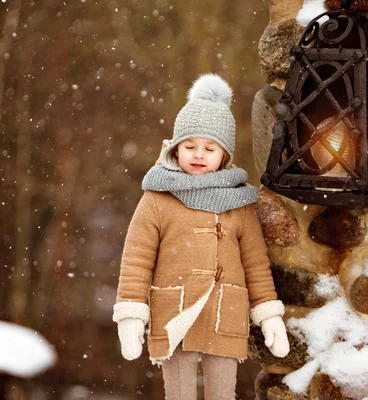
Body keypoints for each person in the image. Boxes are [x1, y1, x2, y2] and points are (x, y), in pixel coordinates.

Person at [112, 74, 290, 400]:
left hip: (226, 313)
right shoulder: (157, 197)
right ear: (175, 148)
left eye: (209, 148)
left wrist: (268, 313)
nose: (198, 154)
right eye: (189, 146)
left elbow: (255, 263)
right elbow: (136, 258)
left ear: (224, 155)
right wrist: (131, 313)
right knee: (178, 394)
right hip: (175, 312)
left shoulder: (239, 203)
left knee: (222, 394)